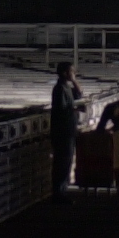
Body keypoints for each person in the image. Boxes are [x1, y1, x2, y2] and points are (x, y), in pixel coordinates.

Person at [50, 61, 82, 202]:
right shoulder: (59, 89)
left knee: (67, 161)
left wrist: (74, 81)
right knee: (62, 162)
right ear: (64, 73)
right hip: (62, 132)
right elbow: (62, 111)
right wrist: (76, 110)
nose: (74, 74)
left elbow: (79, 95)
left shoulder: (67, 87)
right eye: (72, 72)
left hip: (68, 130)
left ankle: (62, 190)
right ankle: (59, 192)